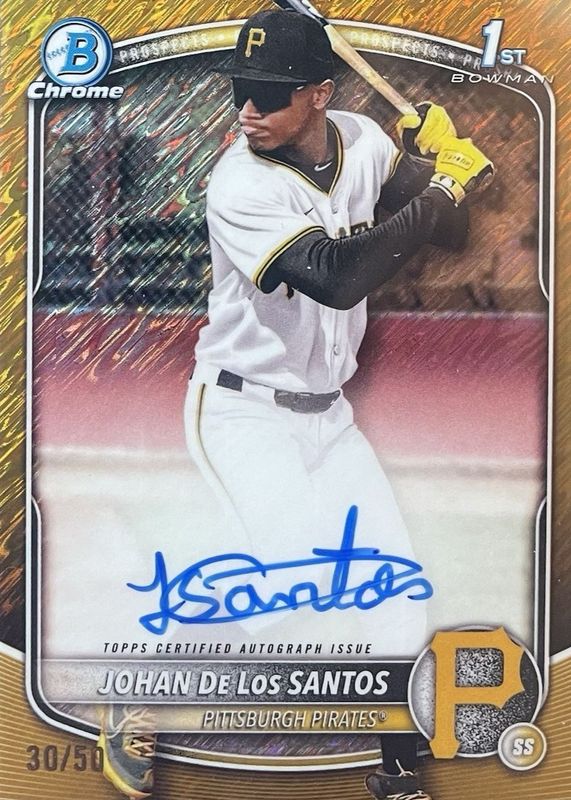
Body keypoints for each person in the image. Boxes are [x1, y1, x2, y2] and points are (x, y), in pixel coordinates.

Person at [100, 9, 493, 800]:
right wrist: (442, 184)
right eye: (241, 90)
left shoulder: (363, 140)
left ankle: (396, 773)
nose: (248, 108)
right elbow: (337, 277)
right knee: (288, 587)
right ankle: (135, 692)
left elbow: (445, 234)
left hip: (329, 416)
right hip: (243, 410)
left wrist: (441, 162)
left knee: (392, 585)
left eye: (269, 93)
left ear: (319, 93)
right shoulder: (238, 182)